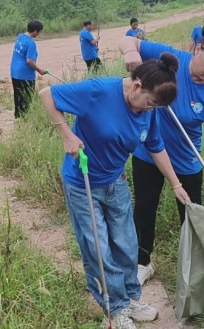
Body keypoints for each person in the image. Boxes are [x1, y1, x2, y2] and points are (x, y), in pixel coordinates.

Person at [39, 55, 185, 329]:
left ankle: (131, 298)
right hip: (83, 184)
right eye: (150, 103)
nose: (149, 110)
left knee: (127, 244)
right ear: (137, 86)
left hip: (115, 183)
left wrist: (176, 184)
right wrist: (67, 135)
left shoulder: (149, 112)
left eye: (156, 107)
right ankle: (114, 309)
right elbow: (47, 94)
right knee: (98, 249)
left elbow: (156, 147)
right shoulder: (98, 91)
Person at [119, 28, 204, 286]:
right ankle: (143, 263)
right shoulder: (172, 60)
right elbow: (129, 39)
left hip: (186, 163)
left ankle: (193, 270)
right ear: (198, 50)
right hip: (148, 155)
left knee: (191, 217)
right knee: (144, 209)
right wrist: (130, 52)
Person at [10, 20, 47, 119]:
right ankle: (26, 118)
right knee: (26, 97)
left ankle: (18, 117)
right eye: (39, 32)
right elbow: (30, 61)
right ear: (35, 31)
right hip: (25, 74)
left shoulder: (20, 36)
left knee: (18, 96)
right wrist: (40, 71)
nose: (39, 34)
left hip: (15, 72)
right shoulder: (31, 43)